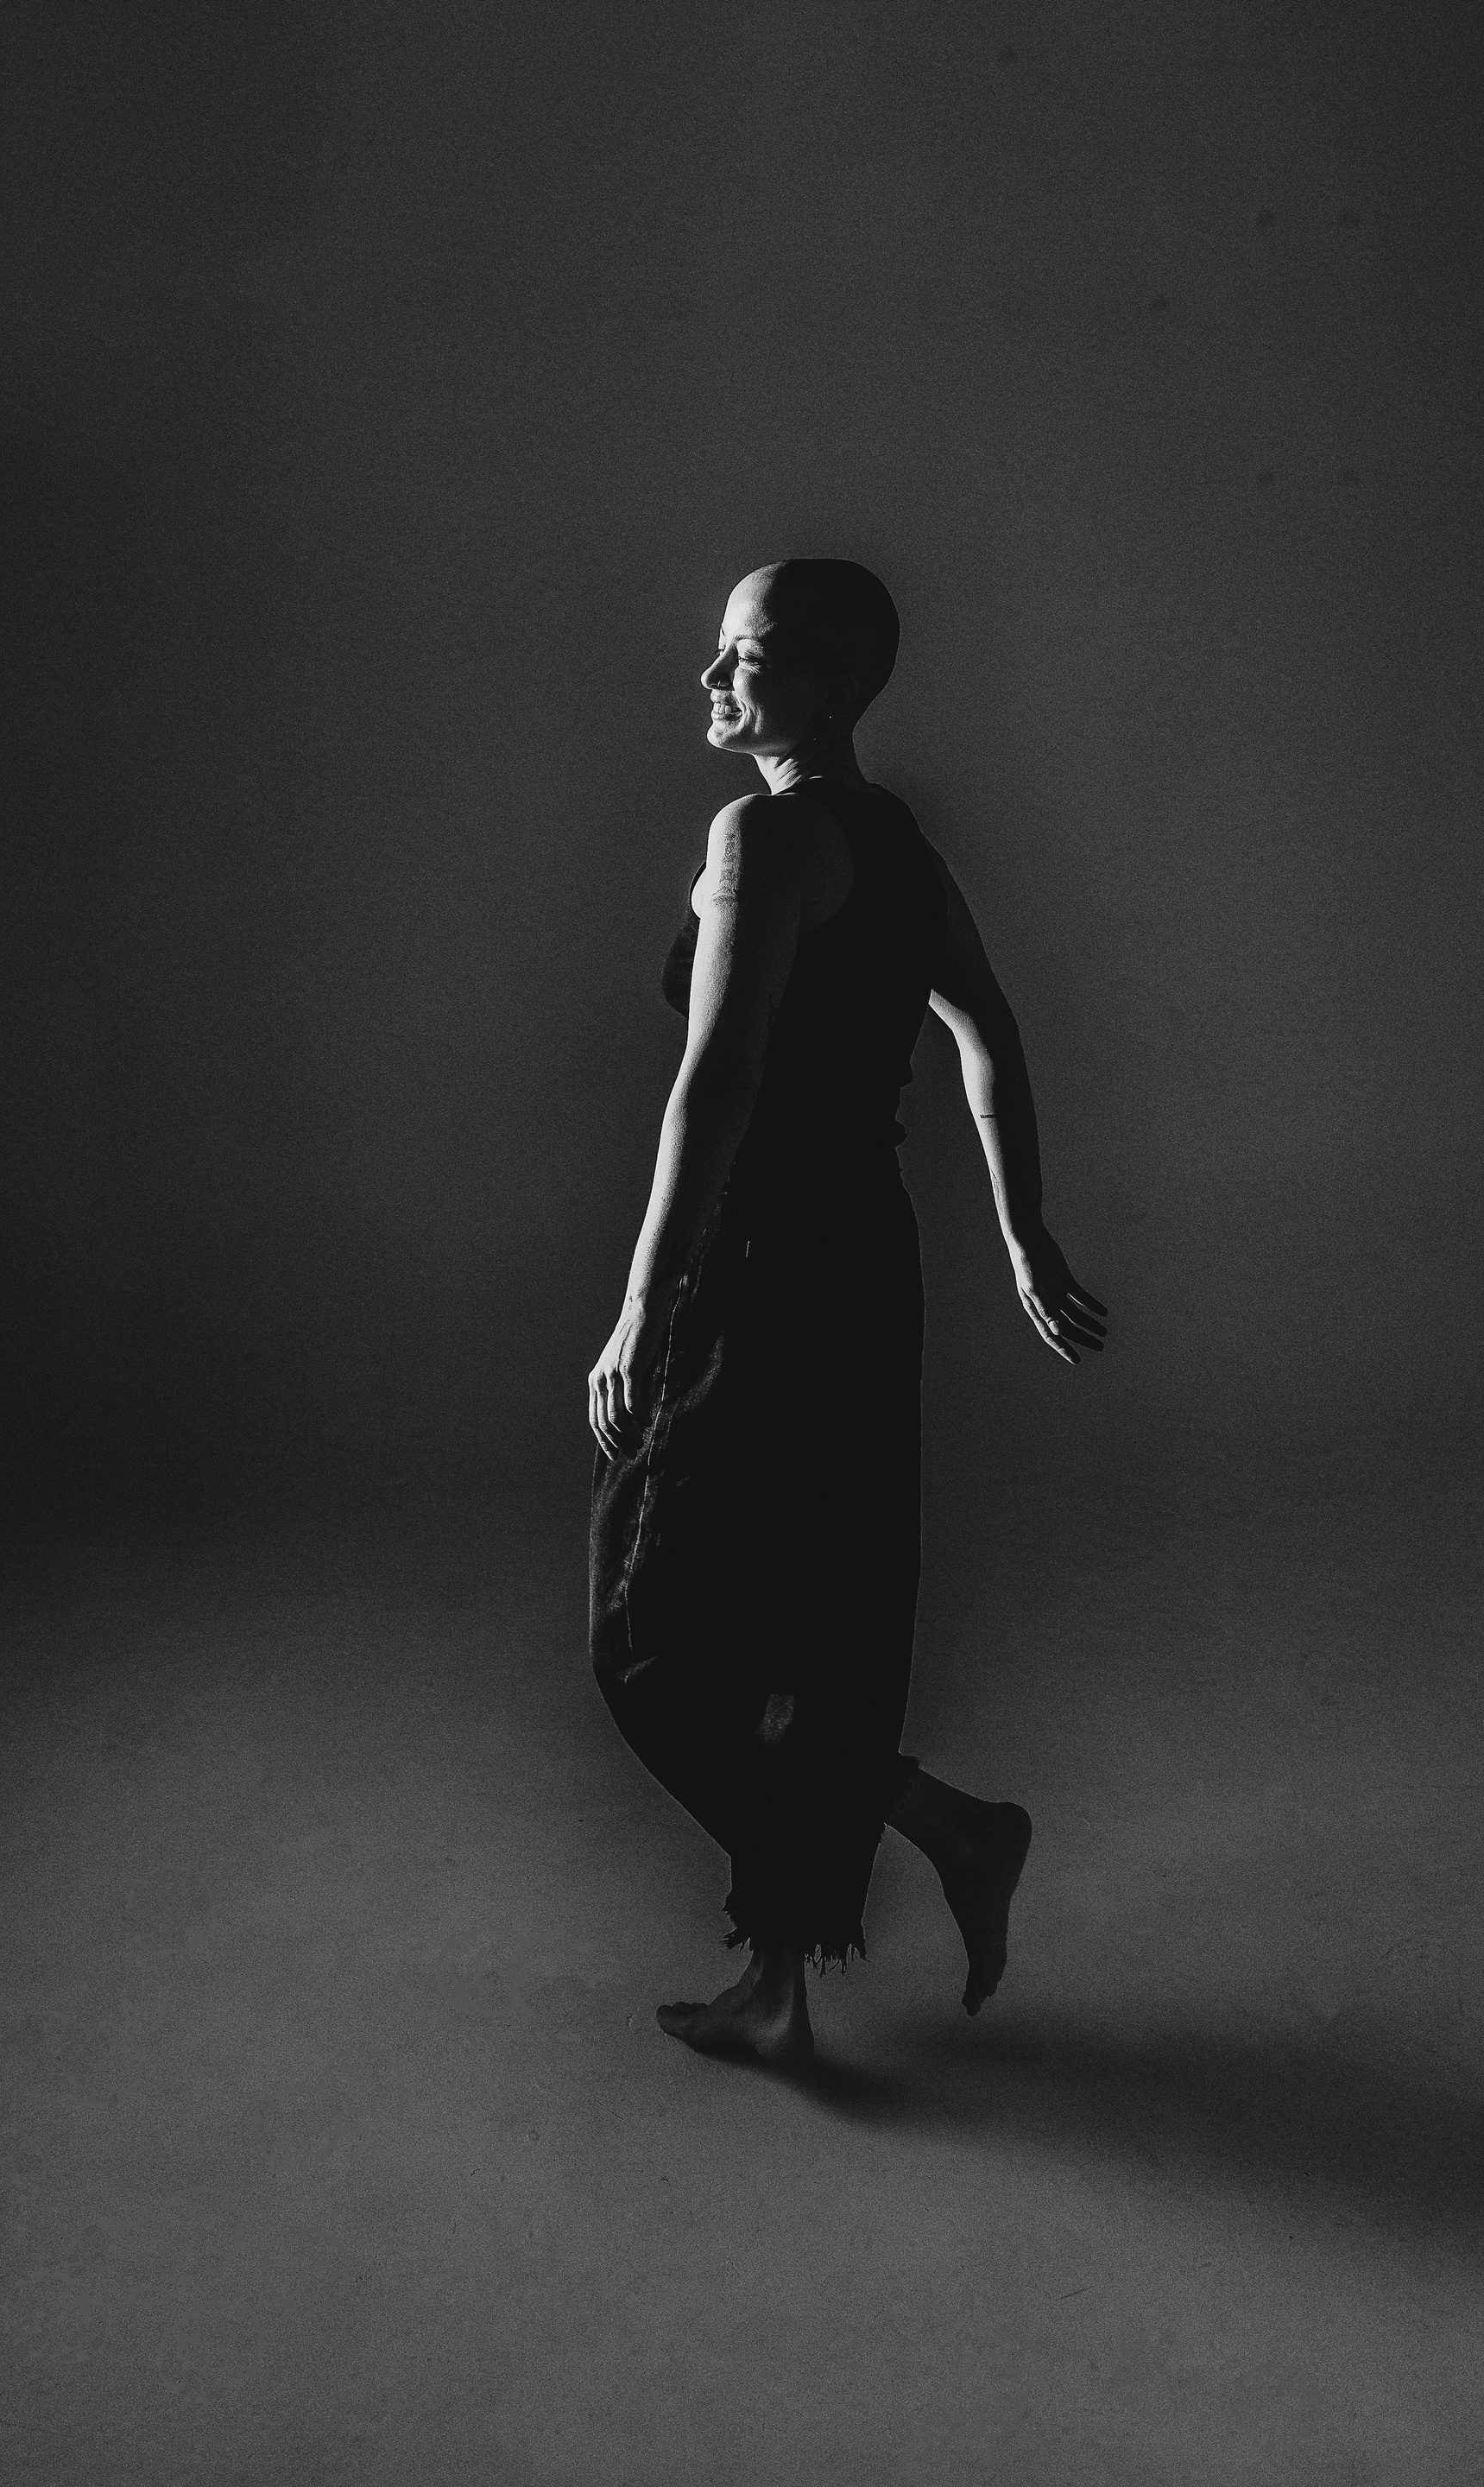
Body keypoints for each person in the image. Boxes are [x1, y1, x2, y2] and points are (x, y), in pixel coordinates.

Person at [587, 559, 1107, 2066]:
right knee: (800, 1612)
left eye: (745, 657)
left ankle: (930, 1839)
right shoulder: (892, 840)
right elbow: (985, 1025)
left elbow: (722, 1078)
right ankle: (812, 1956)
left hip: (756, 1257)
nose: (712, 680)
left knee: (653, 1636)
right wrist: (1019, 1233)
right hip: (865, 1257)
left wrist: (642, 1302)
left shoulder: (763, 832)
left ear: (832, 686)